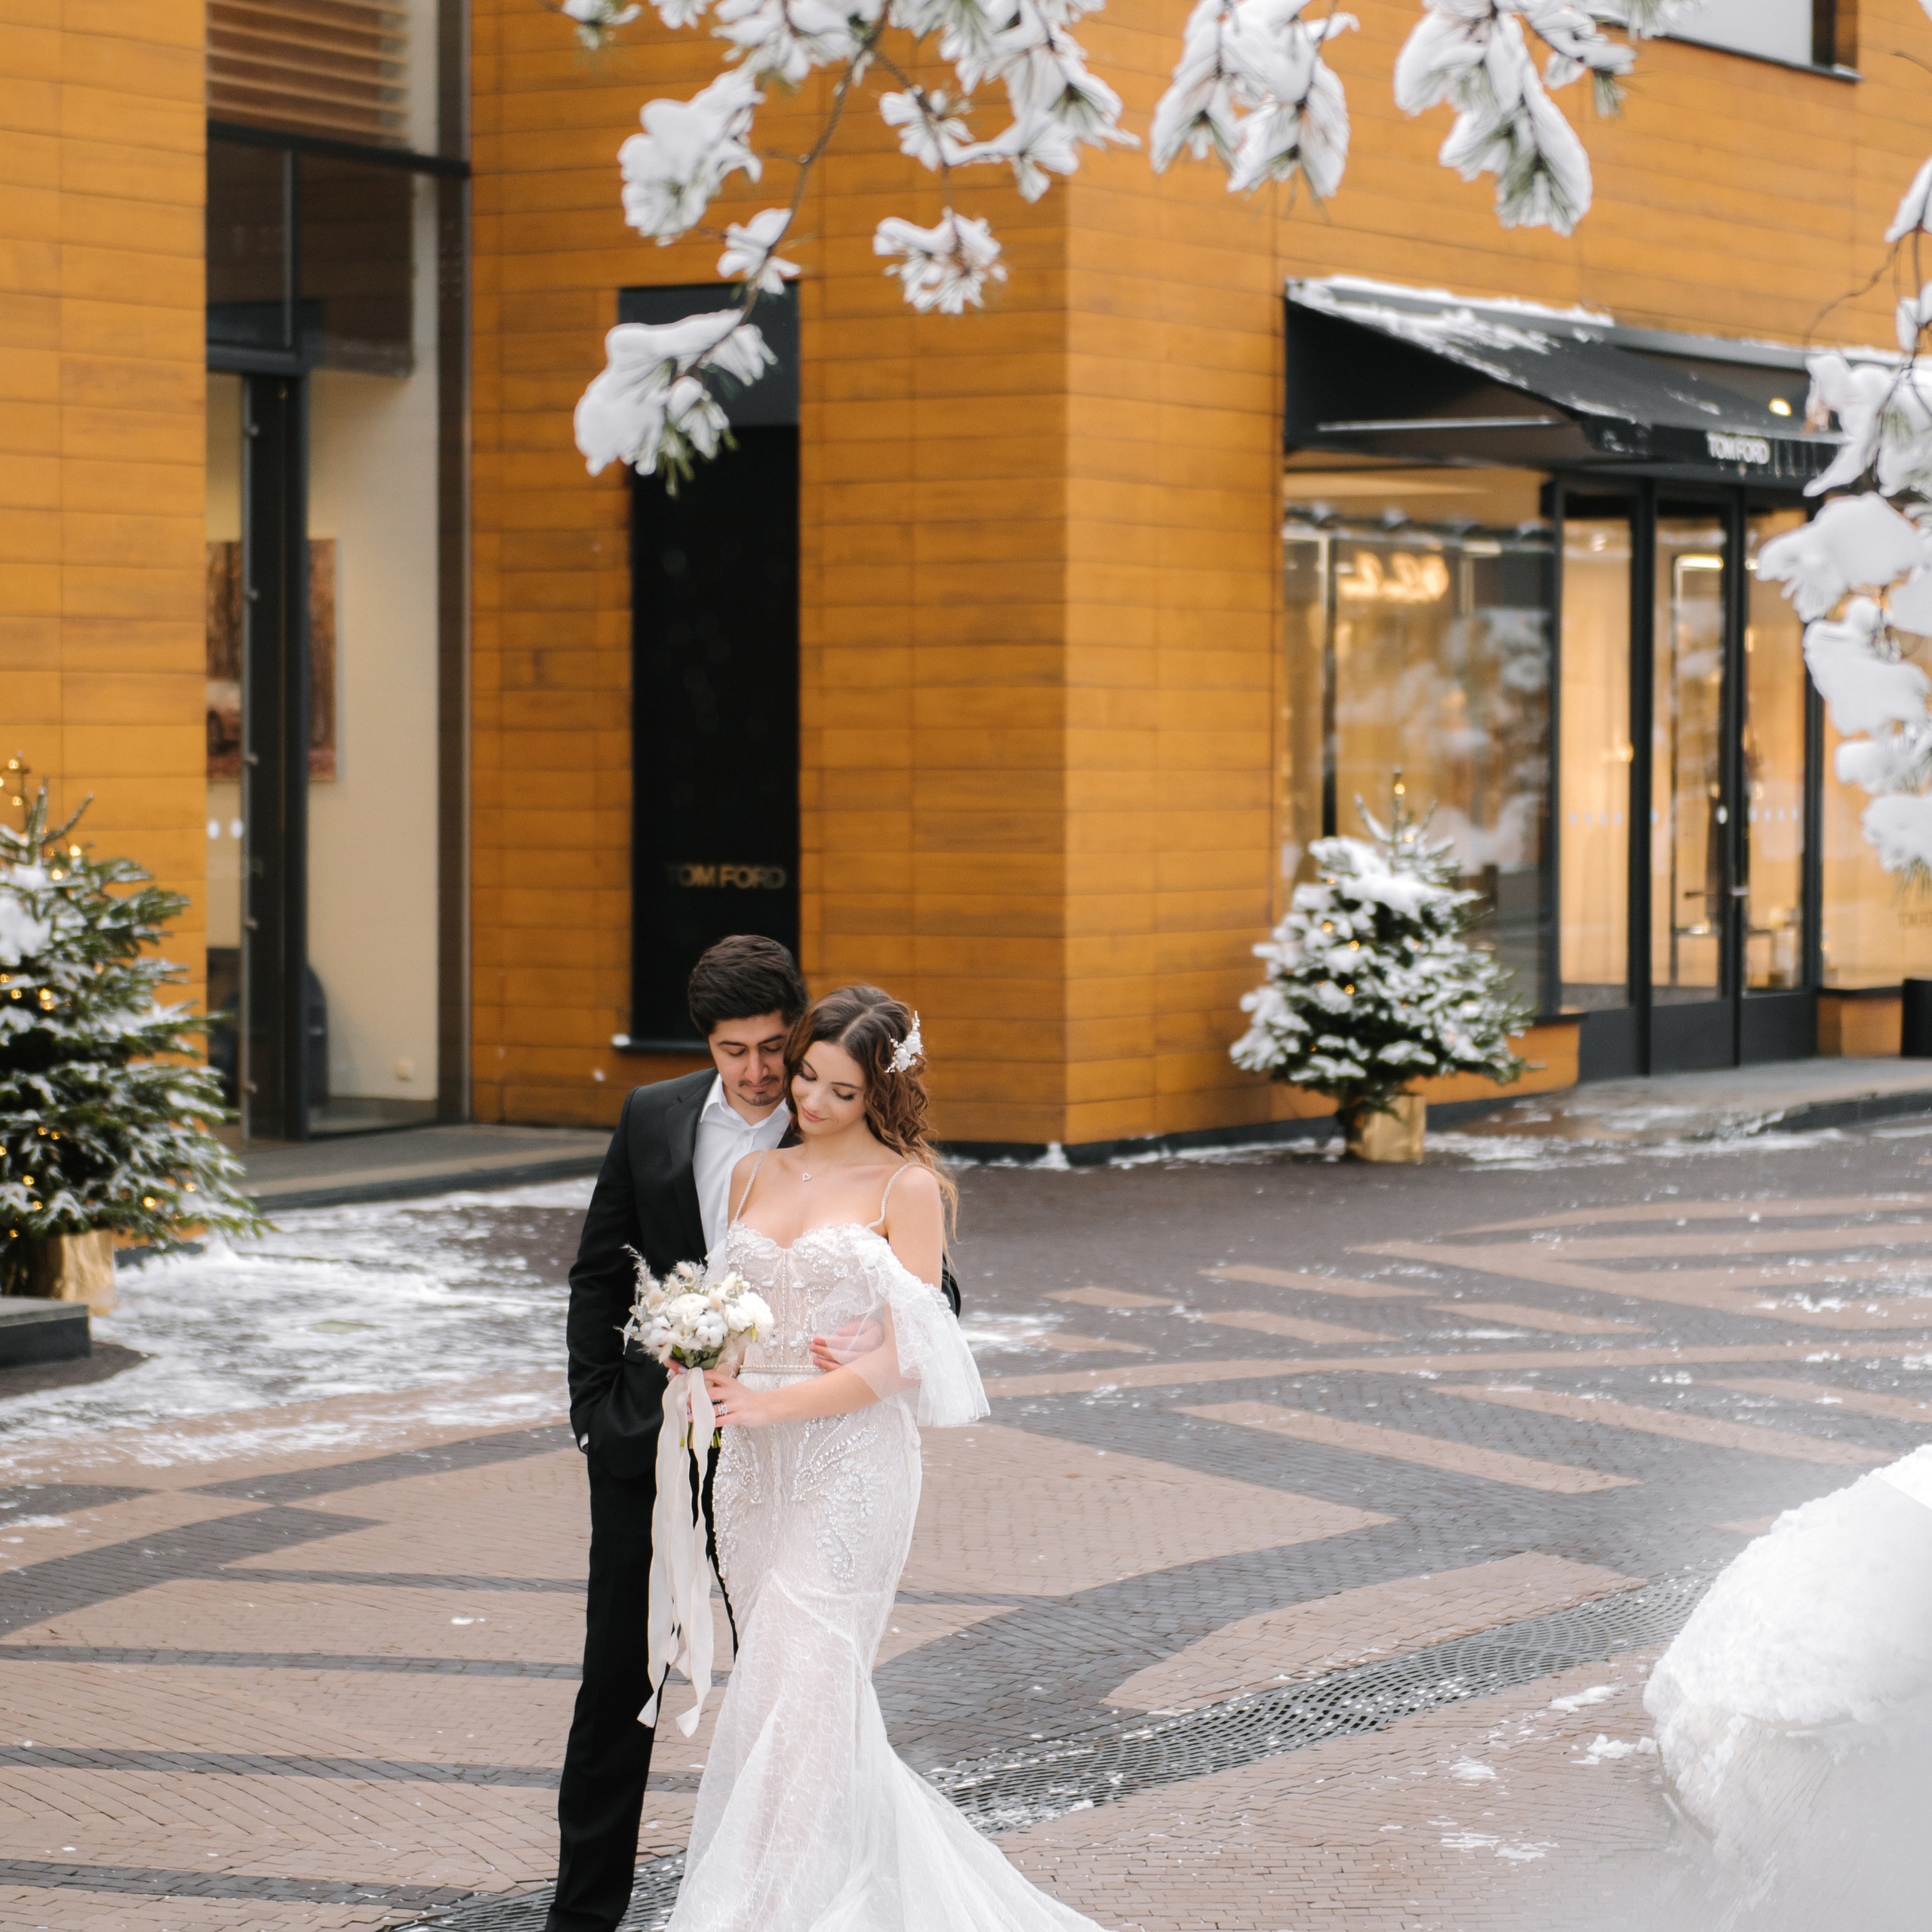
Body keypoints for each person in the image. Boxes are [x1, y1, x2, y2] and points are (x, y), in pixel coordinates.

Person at [669, 985, 1108, 1931]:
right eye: (805, 1079)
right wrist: (701, 1352)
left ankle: (767, 1907)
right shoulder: (754, 1176)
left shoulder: (906, 1189)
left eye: (840, 1090)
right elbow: (737, 1313)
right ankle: (827, 1890)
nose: (811, 1103)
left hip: (850, 1464)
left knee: (807, 1667)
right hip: (752, 1469)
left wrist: (773, 1397)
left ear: (881, 1093)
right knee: (787, 1685)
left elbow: (911, 1355)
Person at [547, 935, 807, 1932]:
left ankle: (785, 1907)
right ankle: (580, 1920)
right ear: (707, 1044)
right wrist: (593, 1414)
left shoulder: (835, 1122)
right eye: (734, 1050)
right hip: (646, 1450)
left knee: (791, 1683)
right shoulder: (651, 1114)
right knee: (616, 1686)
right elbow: (598, 1273)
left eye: (774, 1047)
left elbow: (925, 1281)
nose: (757, 1072)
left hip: (780, 1453)